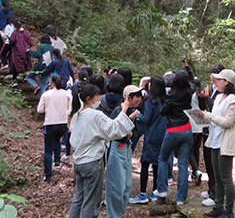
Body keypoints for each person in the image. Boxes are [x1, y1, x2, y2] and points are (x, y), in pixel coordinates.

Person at [67, 83, 135, 218]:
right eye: (97, 96)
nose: (100, 99)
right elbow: (114, 130)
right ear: (88, 98)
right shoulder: (94, 115)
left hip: (79, 162)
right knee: (91, 202)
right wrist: (124, 109)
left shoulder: (77, 115)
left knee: (79, 198)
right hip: (92, 163)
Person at [200, 69, 235, 218]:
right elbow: (215, 118)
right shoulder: (218, 98)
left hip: (225, 143)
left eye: (219, 79)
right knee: (217, 178)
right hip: (214, 141)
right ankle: (218, 207)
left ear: (227, 82)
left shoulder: (232, 100)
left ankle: (229, 211)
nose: (215, 82)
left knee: (226, 179)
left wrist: (209, 116)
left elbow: (227, 122)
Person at [154, 69, 194, 206]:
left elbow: (163, 112)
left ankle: (162, 190)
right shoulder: (190, 93)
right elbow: (193, 81)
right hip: (187, 130)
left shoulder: (171, 96)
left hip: (173, 131)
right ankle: (181, 198)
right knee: (183, 163)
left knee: (163, 158)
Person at [105, 85, 142, 218]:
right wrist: (129, 119)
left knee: (126, 187)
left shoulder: (135, 110)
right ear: (128, 97)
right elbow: (114, 131)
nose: (139, 99)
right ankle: (113, 215)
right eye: (137, 96)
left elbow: (136, 131)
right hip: (116, 148)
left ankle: (119, 214)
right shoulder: (118, 110)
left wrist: (132, 134)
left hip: (126, 149)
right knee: (116, 186)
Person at [130, 76, 167, 204]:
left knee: (145, 163)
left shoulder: (151, 101)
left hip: (151, 135)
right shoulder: (164, 100)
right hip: (162, 135)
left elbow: (147, 119)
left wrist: (137, 114)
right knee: (157, 163)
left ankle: (142, 194)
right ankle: (155, 192)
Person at [37, 74, 72, 182]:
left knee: (47, 150)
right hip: (63, 123)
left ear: (52, 83)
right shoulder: (67, 94)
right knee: (57, 139)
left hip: (50, 123)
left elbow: (39, 110)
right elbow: (69, 109)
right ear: (62, 83)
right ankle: (57, 161)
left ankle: (48, 175)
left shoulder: (46, 94)